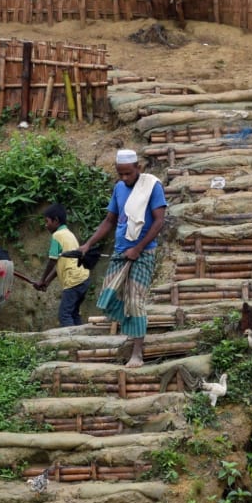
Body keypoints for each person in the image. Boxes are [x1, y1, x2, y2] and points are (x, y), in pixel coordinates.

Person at [79, 149, 166, 367]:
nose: (124, 178)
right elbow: (110, 220)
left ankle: (137, 353)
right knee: (109, 296)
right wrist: (88, 244)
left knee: (135, 301)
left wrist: (138, 248)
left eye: (128, 173)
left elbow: (159, 221)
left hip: (143, 253)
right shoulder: (119, 188)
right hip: (120, 252)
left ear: (138, 168)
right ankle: (132, 331)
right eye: (120, 174)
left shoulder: (152, 187)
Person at [34, 203, 93, 327]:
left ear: (56, 220)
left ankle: (71, 342)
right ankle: (80, 340)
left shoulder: (57, 236)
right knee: (74, 313)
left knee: (64, 315)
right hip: (83, 278)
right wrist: (47, 282)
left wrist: (42, 280)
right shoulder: (68, 234)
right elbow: (61, 263)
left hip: (73, 281)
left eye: (47, 221)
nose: (46, 225)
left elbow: (53, 261)